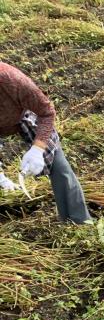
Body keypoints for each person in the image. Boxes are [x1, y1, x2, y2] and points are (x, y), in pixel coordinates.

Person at [0, 62, 90, 224]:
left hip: (23, 115)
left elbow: (46, 112)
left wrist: (38, 148)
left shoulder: (11, 80)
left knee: (59, 167)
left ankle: (79, 221)